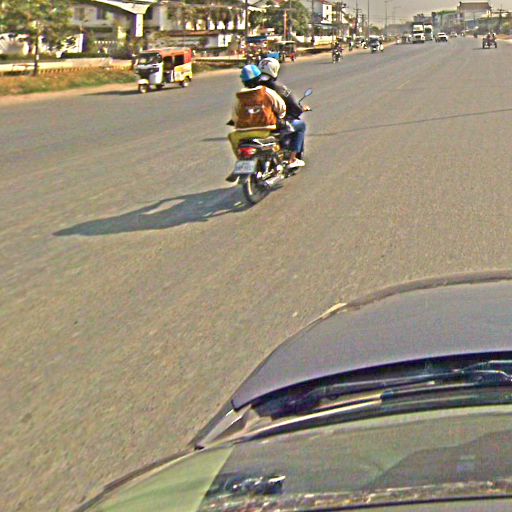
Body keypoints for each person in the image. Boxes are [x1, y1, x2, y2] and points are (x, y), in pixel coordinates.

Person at [226, 64, 286, 181]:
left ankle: (241, 160)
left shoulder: (240, 96)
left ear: (244, 81)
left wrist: (237, 122)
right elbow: (281, 107)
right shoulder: (266, 92)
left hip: (242, 133)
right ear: (259, 78)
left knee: (232, 137)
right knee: (278, 138)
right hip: (264, 130)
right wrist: (280, 117)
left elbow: (235, 115)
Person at [258, 57, 310, 169]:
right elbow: (293, 106)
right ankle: (292, 159)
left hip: (253, 124)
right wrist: (301, 109)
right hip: (274, 124)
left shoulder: (252, 87)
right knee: (301, 125)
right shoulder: (278, 88)